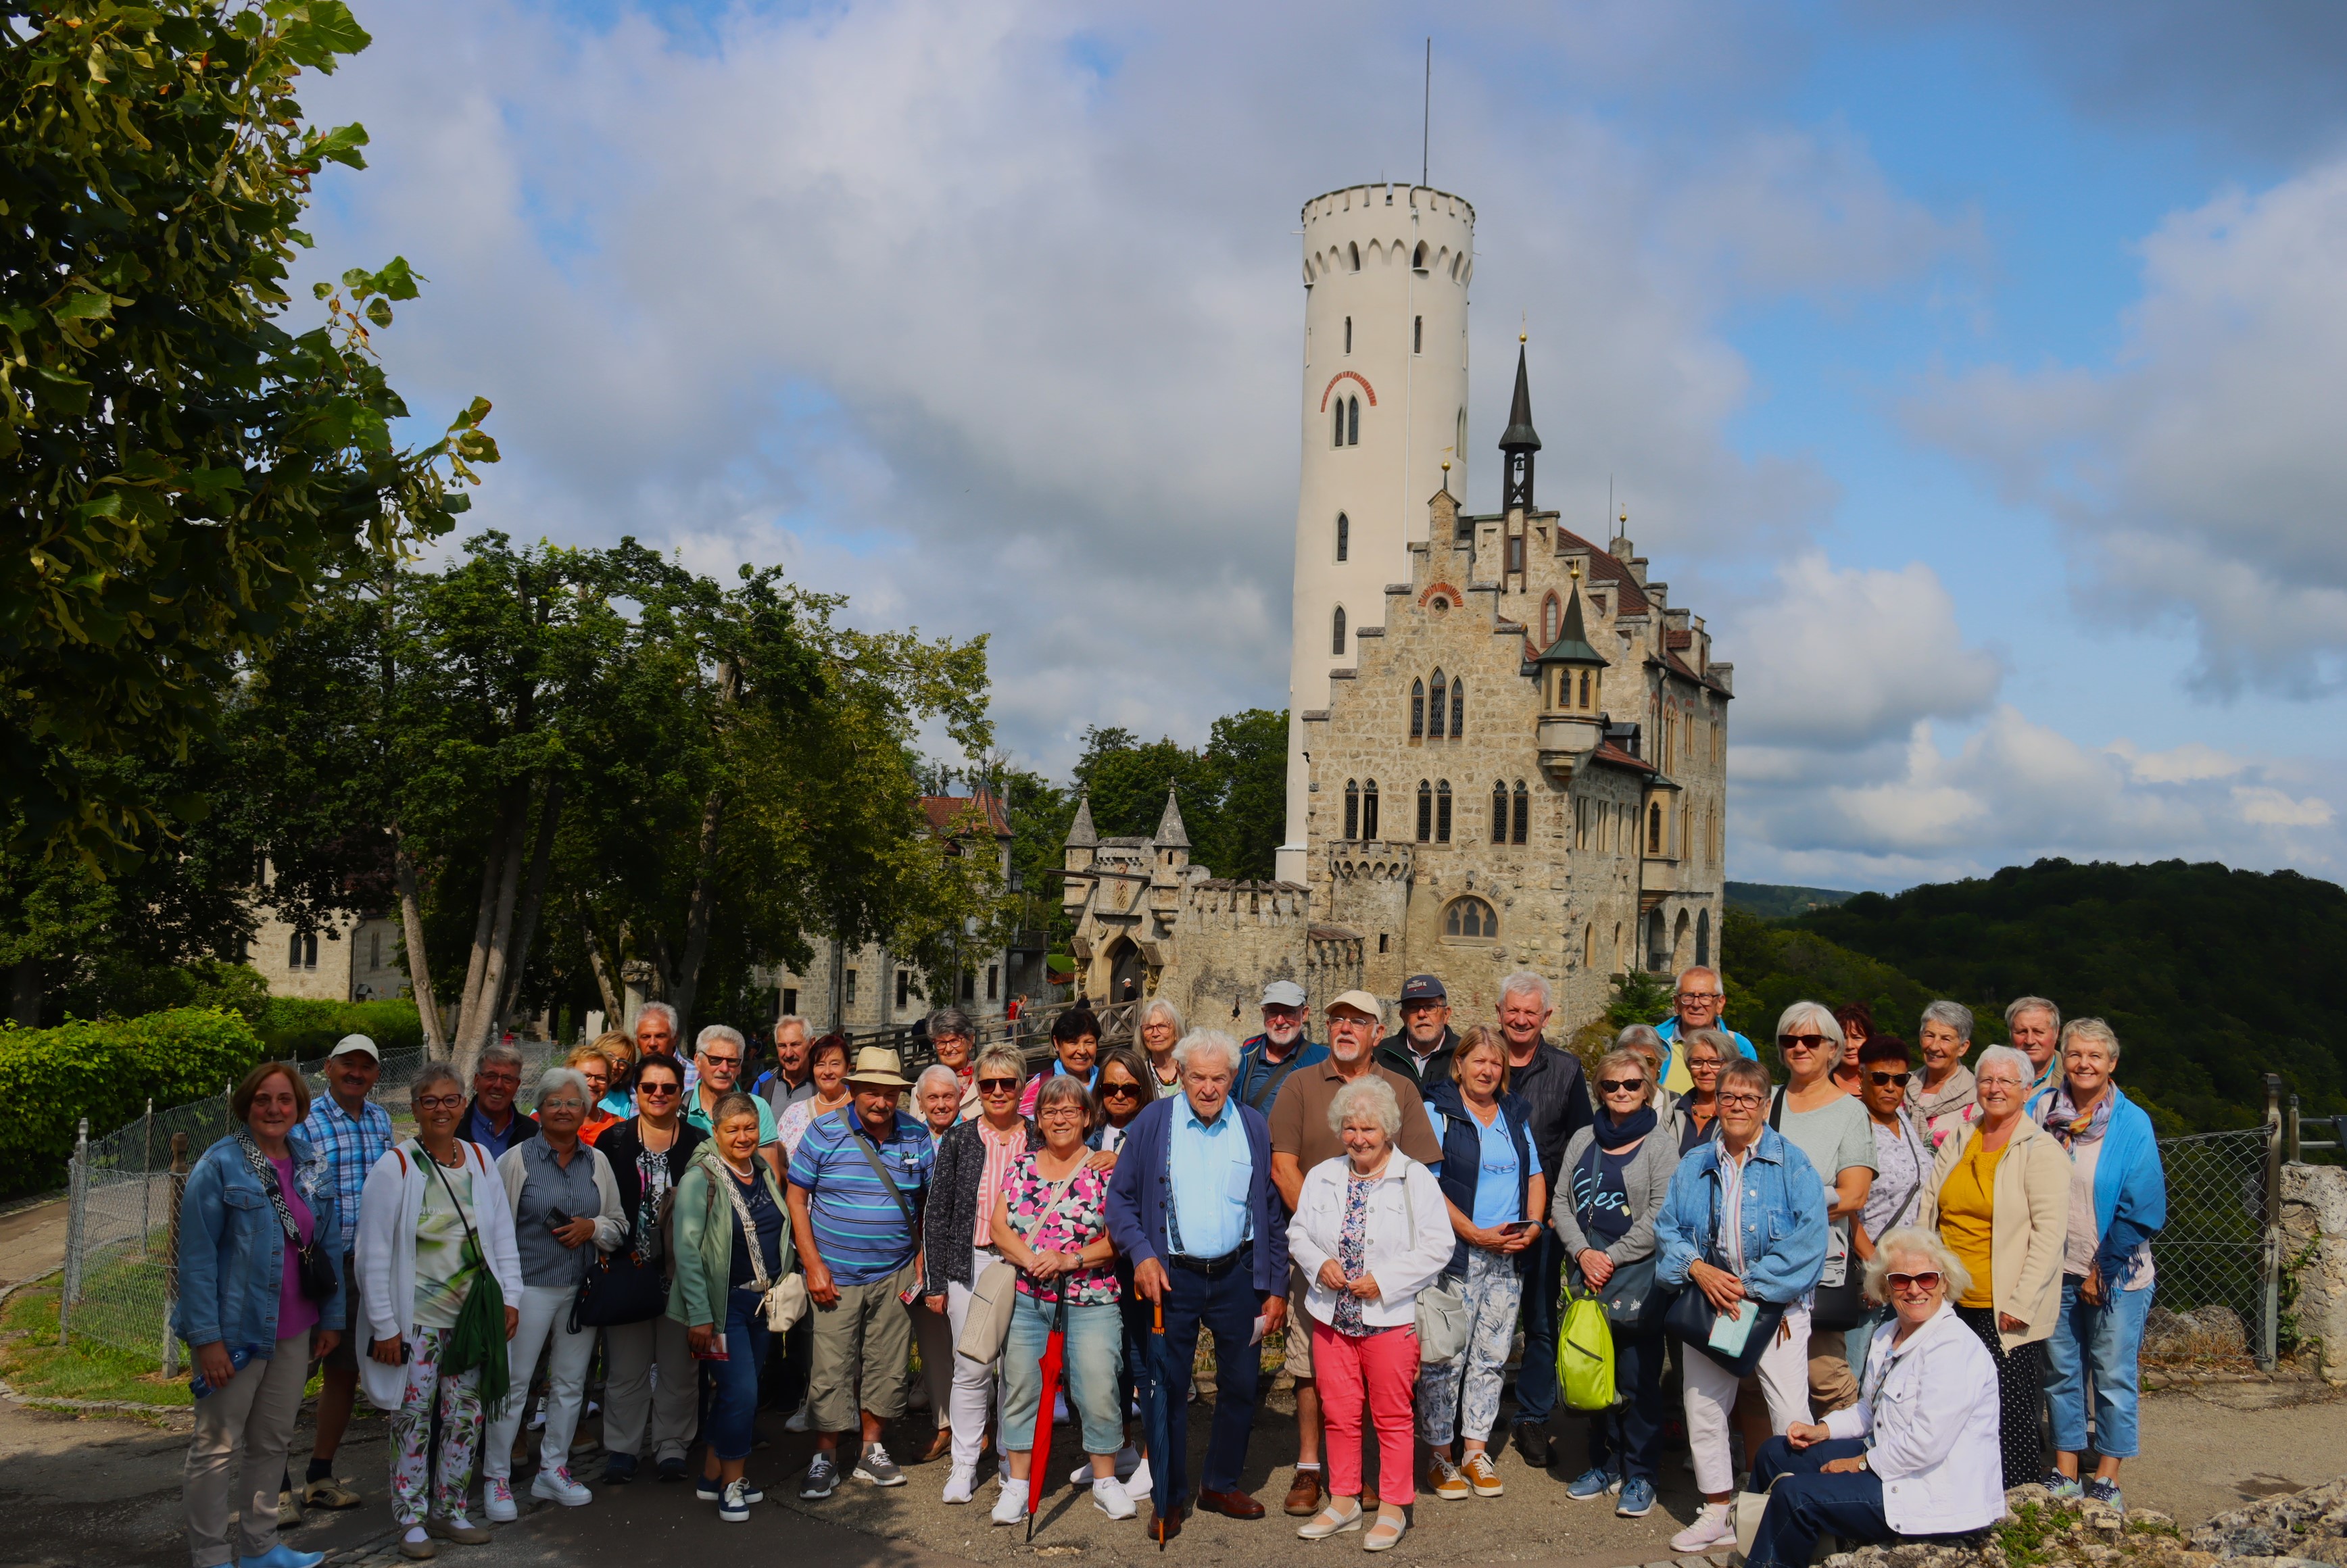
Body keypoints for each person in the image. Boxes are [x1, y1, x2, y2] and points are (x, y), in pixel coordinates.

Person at [1105, 1029, 1290, 1537]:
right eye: (1199, 1077)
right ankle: (1169, 1497)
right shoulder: (1153, 1122)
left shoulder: (1251, 1124)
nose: (1209, 1088)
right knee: (1166, 1391)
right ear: (1181, 1076)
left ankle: (1220, 1483)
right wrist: (1141, 1255)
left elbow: (1270, 1213)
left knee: (1240, 1386)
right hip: (1172, 1276)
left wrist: (1276, 1287)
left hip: (1238, 1276)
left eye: (1220, 1078)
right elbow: (1118, 1202)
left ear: (1233, 1078)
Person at [1266, 990, 1444, 1517]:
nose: (1346, 1027)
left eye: (1358, 1021)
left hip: (1386, 1263)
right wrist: (1326, 1245)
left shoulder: (1401, 1090)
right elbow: (1284, 1167)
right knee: (1311, 1368)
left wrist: (1379, 1262)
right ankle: (1310, 1469)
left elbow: (1422, 1174)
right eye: (1338, 1019)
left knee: (1379, 1376)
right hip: (1319, 1259)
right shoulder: (1300, 1084)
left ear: (1377, 1030)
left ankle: (1364, 1478)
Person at [1742, 1228, 2004, 1568]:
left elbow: (1926, 1444)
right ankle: (1755, 1544)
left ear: (1943, 1283)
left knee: (1796, 1498)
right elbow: (1869, 1410)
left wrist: (1860, 1464)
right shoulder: (1887, 1334)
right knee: (1775, 1453)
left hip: (1929, 1490)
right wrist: (1821, 1430)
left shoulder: (1953, 1348)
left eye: (1926, 1278)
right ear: (1884, 1287)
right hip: (1889, 1459)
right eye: (1900, 1280)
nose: (1914, 1289)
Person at [1653, 1056, 1828, 1555]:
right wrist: (1699, 1270)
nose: (1737, 1106)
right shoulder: (1695, 1164)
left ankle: (1794, 1510)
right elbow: (1667, 1230)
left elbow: (1809, 1242)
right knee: (1703, 1407)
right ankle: (1715, 1512)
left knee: (1790, 1414)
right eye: (1729, 1096)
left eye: (1749, 1098)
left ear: (1766, 1106)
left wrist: (1747, 1288)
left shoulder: (1792, 1164)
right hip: (1711, 1304)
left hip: (1774, 1310)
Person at [356, 1062, 524, 1562]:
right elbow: (373, 1254)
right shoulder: (398, 1166)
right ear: (415, 1108)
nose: (442, 1110)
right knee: (413, 1419)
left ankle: (449, 1510)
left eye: (452, 1100)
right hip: (418, 1322)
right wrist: (385, 1325)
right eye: (431, 1101)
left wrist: (510, 1298)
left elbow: (500, 1238)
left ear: (462, 1104)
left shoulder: (478, 1159)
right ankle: (410, 1519)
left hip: (471, 1319)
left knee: (464, 1417)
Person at [180, 1062, 345, 1568]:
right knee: (216, 1448)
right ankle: (210, 1558)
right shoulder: (220, 1165)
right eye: (263, 1100)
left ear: (299, 1108)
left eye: (284, 1100)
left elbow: (328, 1245)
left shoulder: (312, 1163)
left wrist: (332, 1319)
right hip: (235, 1334)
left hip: (296, 1332)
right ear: (246, 1106)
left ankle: (260, 1548)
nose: (274, 1109)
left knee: (272, 1443)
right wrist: (206, 1339)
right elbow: (196, 1258)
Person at [1286, 1075, 1453, 1552]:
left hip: (1391, 1318)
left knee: (1392, 1416)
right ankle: (1343, 1501)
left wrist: (1385, 1280)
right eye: (1351, 1128)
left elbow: (1439, 1245)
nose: (1359, 1138)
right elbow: (1298, 1234)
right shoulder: (1323, 1174)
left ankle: (1396, 1507)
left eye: (1370, 1130)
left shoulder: (1414, 1177)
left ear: (1389, 1132)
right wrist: (1321, 1265)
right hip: (1332, 1317)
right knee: (1338, 1415)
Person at [1914, 1043, 2068, 1491]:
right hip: (1949, 1302)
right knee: (1950, 1406)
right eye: (1986, 1079)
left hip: (2004, 1309)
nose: (1995, 1088)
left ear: (2026, 1090)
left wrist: (2020, 1303)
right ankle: (1959, 1496)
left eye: (2006, 1081)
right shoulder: (1961, 1138)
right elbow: (1930, 1206)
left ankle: (2016, 1502)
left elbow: (2048, 1236)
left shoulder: (2041, 1151)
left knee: (2009, 1410)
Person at [788, 1047, 935, 1499]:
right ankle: (825, 1456)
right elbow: (797, 1198)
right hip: (835, 1273)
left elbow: (928, 1203)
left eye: (890, 1093)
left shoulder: (915, 1134)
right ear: (853, 1090)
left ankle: (872, 1450)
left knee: (888, 1367)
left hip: (895, 1273)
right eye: (871, 1091)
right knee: (831, 1368)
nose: (881, 1102)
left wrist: (922, 1258)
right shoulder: (824, 1131)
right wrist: (812, 1264)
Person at [986, 1076, 1134, 1526]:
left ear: (1088, 1118)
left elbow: (1117, 1241)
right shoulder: (1021, 1166)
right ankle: (1017, 1484)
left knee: (1098, 1388)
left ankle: (1105, 1480)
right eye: (1050, 1112)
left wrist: (1068, 1259)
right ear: (1039, 1120)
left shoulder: (1106, 1169)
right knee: (1021, 1390)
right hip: (1029, 1300)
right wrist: (1034, 1259)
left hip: (1092, 1299)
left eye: (1071, 1111)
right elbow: (998, 1229)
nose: (1060, 1119)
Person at [2033, 1019, 2167, 1509]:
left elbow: (2144, 1207)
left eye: (2095, 1056)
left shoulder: (2132, 1123)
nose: (2084, 1063)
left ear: (2112, 1063)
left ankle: (2107, 1475)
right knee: (2061, 1372)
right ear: (2062, 1058)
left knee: (2111, 1373)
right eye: (2075, 1054)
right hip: (2053, 1270)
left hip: (2117, 1273)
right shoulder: (2040, 1111)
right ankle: (2065, 1470)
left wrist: (2100, 1270)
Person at [482, 1068, 626, 1519]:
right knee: (514, 1384)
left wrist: (593, 1228)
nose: (564, 1110)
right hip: (526, 1288)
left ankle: (554, 1469)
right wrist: (502, 1295)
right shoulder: (516, 1161)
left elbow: (619, 1224)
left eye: (572, 1103)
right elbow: (493, 1230)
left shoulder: (597, 1162)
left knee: (568, 1385)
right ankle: (496, 1479)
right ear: (539, 1110)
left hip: (579, 1291)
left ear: (586, 1110)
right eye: (554, 1103)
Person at [1417, 1026, 1547, 1501]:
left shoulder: (1514, 1115)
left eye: (1496, 1064)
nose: (1488, 1070)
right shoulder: (1439, 1113)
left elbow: (1534, 1173)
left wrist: (1533, 1225)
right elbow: (1426, 1183)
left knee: (1492, 1358)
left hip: (1506, 1256)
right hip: (1456, 1255)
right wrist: (1470, 1232)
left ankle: (1475, 1451)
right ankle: (1438, 1454)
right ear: (1460, 1066)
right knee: (1445, 1359)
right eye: (1479, 1061)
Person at [1554, 1048, 1680, 1519]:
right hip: (1587, 1278)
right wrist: (1583, 1254)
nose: (1622, 1093)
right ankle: (1603, 1463)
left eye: (1632, 1085)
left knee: (1636, 1379)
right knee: (1593, 1373)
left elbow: (1660, 1215)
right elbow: (1562, 1202)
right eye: (1611, 1085)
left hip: (1636, 1278)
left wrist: (1608, 1255)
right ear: (1599, 1090)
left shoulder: (1660, 1145)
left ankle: (1641, 1472)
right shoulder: (1584, 1138)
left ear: (1648, 1090)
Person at [670, 1092, 796, 1523]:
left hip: (759, 1304)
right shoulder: (700, 1179)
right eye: (732, 1129)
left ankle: (710, 1475)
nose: (743, 1137)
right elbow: (687, 1251)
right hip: (719, 1310)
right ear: (715, 1132)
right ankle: (732, 1484)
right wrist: (699, 1315)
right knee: (742, 1392)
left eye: (749, 1128)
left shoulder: (760, 1169)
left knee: (733, 1392)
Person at [1489, 971, 1593, 1470]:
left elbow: (1581, 1147)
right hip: (1486, 1220)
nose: (1521, 1020)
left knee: (1541, 1321)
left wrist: (1561, 1213)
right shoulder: (1479, 1063)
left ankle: (1532, 1416)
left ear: (1546, 1017)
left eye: (1531, 1012)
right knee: (1482, 1318)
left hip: (1545, 1222)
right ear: (1499, 1013)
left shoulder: (1567, 1070)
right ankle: (1478, 1415)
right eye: (1513, 1010)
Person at [924, 1045, 1034, 1500]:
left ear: (1021, 1087)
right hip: (973, 1264)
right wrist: (935, 1281)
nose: (997, 1091)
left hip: (1025, 1265)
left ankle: (1012, 1462)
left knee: (1018, 1370)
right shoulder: (959, 1139)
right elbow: (937, 1213)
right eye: (987, 1083)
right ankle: (965, 1464)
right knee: (970, 1367)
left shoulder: (1042, 1135)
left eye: (1007, 1083)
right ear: (977, 1088)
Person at [596, 1054, 706, 1485]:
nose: (658, 1094)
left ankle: (672, 1446)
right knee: (626, 1368)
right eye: (649, 1087)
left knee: (680, 1369)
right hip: (627, 1269)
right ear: (636, 1091)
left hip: (682, 1274)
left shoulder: (699, 1143)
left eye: (668, 1088)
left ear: (682, 1094)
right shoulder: (613, 1141)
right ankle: (622, 1448)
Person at [1767, 1002, 1878, 1420]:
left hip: (1816, 1263)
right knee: (1755, 1378)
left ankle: (1846, 1461)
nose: (1800, 1047)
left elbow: (1853, 1195)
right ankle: (1770, 1473)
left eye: (1811, 1039)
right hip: (1758, 1260)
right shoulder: (1766, 1100)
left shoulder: (1850, 1112)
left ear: (1833, 1048)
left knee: (1824, 1375)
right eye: (1789, 1039)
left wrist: (1784, 1206)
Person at [296, 1035, 391, 1515]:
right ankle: (270, 1481)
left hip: (361, 1266)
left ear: (377, 1074)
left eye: (366, 1067)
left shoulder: (381, 1121)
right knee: (290, 1372)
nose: (357, 1073)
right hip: (309, 1264)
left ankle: (319, 1474)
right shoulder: (303, 1119)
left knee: (342, 1372)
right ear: (328, 1068)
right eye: (347, 1065)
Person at [1847, 1034, 1932, 1388]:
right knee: (1856, 1369)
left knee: (1897, 1372)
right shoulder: (1852, 1123)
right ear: (1862, 1077)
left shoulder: (1906, 1121)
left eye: (1901, 1080)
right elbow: (1842, 1205)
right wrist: (1873, 1265)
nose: (1890, 1088)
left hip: (1905, 1273)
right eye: (1880, 1078)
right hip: (1869, 1272)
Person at [907, 1064, 967, 1463]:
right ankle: (944, 1425)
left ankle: (978, 1429)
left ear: (961, 1097)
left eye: (948, 1096)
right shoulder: (910, 1138)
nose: (941, 1104)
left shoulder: (976, 1134)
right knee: (934, 1346)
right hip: (919, 1254)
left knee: (972, 1345)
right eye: (933, 1098)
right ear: (921, 1102)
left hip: (966, 1254)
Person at [686, 1025, 783, 1179]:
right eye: (715, 1060)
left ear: (739, 1067)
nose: (724, 1068)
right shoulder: (681, 1107)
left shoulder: (758, 1108)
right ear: (698, 1061)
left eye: (732, 1061)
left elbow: (771, 1178)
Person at [1653, 966, 1758, 1093]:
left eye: (1705, 997)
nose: (1696, 1004)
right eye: (1688, 996)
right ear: (1677, 1003)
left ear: (1720, 1003)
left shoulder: (1740, 1047)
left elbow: (1751, 1096)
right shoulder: (1653, 1043)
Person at [1236, 980, 1328, 1112]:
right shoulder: (1246, 1054)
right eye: (1273, 1012)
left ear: (1304, 1014)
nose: (1280, 1021)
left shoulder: (1321, 1060)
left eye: (1289, 1012)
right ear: (1264, 1013)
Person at [1910, 1002, 1981, 1151]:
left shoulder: (1977, 1097)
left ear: (1963, 1047)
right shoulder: (1899, 1084)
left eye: (1946, 1039)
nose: (1934, 1046)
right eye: (1929, 1035)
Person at [777, 1033, 854, 1157]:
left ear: (847, 1067)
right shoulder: (794, 1114)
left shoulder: (861, 1108)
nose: (827, 1071)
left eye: (835, 1064)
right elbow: (778, 1164)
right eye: (820, 1064)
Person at [1374, 974, 1457, 1085]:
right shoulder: (1380, 1055)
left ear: (1446, 1014)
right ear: (1403, 1016)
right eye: (1413, 1008)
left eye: (1431, 1007)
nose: (1422, 1014)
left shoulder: (1464, 1054)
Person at [462, 1042, 538, 1158]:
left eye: (507, 1079)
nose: (498, 1085)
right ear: (476, 1081)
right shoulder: (454, 1128)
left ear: (517, 1086)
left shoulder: (533, 1134)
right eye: (491, 1076)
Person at [1021, 1006, 1102, 1114]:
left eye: (1089, 1043)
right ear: (1057, 1043)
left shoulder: (1108, 1084)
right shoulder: (1039, 1087)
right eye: (1073, 1042)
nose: (1082, 1051)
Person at [1674, 1027, 1731, 1152]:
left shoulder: (1738, 1111)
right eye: (1697, 1062)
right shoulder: (1674, 1111)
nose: (1705, 1070)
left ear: (1730, 1066)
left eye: (1714, 1062)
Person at [926, 1006, 981, 1119]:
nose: (949, 1049)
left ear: (970, 1041)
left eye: (955, 1041)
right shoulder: (921, 1087)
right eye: (941, 1042)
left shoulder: (988, 1082)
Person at [754, 1014, 816, 1112]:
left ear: (811, 1044)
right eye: (782, 1046)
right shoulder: (764, 1084)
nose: (788, 1054)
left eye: (795, 1045)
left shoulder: (822, 1084)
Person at [567, 1044, 621, 1145]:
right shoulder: (545, 1121)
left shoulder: (620, 1127)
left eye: (601, 1078)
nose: (592, 1083)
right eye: (585, 1076)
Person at [2008, 998, 2064, 1094]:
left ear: (2056, 1033)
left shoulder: (2074, 1080)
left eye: (2038, 1032)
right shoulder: (1992, 1076)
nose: (2030, 1041)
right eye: (2022, 1032)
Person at [1138, 996, 1188, 1098]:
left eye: (1162, 1026)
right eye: (1148, 1028)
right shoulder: (1139, 1074)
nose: (1155, 1033)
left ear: (1176, 1033)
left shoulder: (1190, 1069)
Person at [1831, 1002, 1875, 1096]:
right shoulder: (1822, 1084)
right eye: (1844, 1038)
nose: (1850, 1046)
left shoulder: (1883, 1081)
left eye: (1857, 1038)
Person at [596, 1032, 638, 1119]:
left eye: (623, 1063)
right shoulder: (571, 1089)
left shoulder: (623, 1103)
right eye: (610, 1056)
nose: (615, 1066)